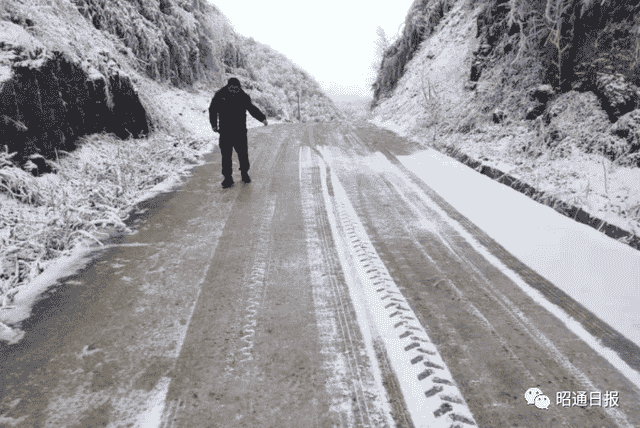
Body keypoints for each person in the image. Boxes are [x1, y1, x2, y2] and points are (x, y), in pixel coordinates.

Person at [208, 77, 268, 188]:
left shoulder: (243, 96)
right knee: (226, 155)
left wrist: (262, 118)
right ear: (228, 86)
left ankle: (244, 174)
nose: (234, 90)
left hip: (240, 131)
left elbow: (252, 109)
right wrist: (214, 125)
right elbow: (212, 110)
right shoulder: (220, 95)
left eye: (236, 88)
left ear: (239, 88)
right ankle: (227, 178)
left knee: (243, 154)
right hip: (225, 131)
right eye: (232, 88)